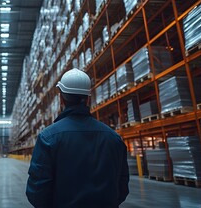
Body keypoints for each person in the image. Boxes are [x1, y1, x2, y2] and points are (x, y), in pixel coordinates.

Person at [26, 68, 129, 208]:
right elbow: (122, 186)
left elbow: (37, 191)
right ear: (88, 98)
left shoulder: (48, 137)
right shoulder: (113, 138)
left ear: (61, 99)